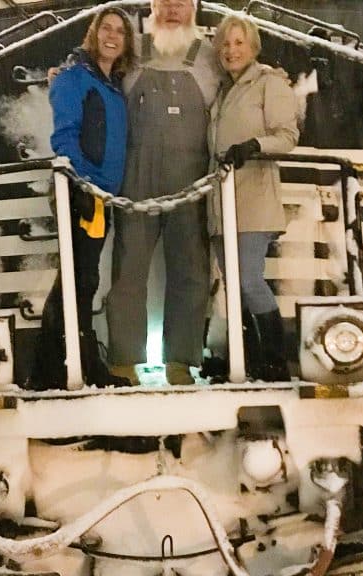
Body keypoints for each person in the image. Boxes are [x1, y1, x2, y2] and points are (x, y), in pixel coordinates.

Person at [104, 0, 222, 386]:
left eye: (181, 2)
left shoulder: (212, 55)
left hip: (192, 178)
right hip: (136, 178)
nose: (173, 9)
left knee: (191, 270)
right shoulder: (131, 47)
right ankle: (123, 361)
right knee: (128, 271)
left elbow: (245, 79)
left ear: (194, 8)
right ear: (152, 6)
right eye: (165, 1)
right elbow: (94, 63)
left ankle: (180, 362)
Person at [29, 7, 136, 389]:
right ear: (93, 33)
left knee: (79, 281)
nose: (112, 36)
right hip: (82, 193)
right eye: (105, 28)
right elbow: (64, 138)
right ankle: (79, 368)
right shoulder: (75, 79)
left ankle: (51, 370)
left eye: (120, 32)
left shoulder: (110, 83)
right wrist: (85, 184)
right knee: (80, 280)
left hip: (100, 196)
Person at [207, 14, 299, 381]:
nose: (231, 50)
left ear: (254, 47)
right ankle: (247, 361)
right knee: (234, 286)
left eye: (239, 42)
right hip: (221, 204)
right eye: (226, 44)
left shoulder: (269, 83)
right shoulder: (221, 90)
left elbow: (287, 135)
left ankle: (275, 360)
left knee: (248, 281)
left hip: (254, 201)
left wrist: (254, 146)